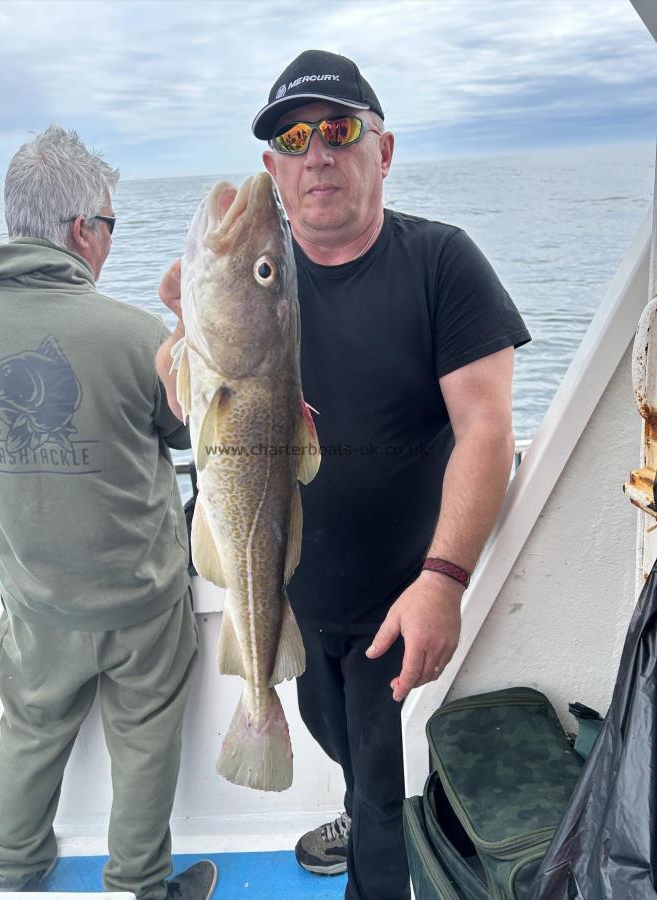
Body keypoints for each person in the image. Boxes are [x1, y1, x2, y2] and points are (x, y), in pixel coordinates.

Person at [251, 51, 532, 900]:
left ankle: (377, 857)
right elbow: (204, 397)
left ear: (384, 149)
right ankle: (362, 805)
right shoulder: (255, 285)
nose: (316, 155)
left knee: (376, 782)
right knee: (330, 736)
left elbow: (485, 425)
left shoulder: (441, 262)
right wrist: (181, 353)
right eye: (293, 138)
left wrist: (442, 580)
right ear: (272, 168)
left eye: (338, 130)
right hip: (296, 590)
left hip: (396, 599)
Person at [0, 127, 217, 900]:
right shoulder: (134, 336)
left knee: (30, 731)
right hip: (142, 602)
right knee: (145, 743)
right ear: (83, 230)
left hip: (35, 598)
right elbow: (198, 436)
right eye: (109, 225)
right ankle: (138, 886)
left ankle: (13, 871)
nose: (109, 243)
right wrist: (195, 335)